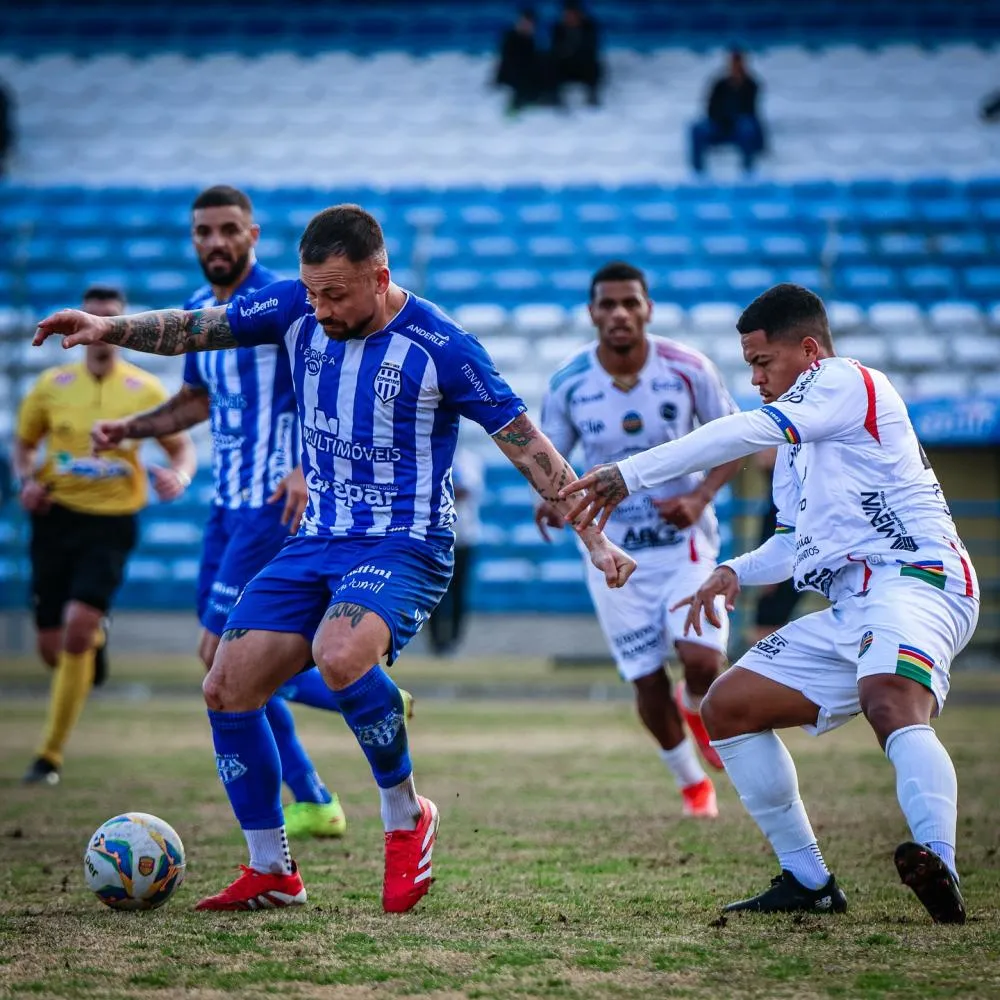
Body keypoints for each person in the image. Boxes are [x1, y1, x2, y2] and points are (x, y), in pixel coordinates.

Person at [35, 203, 636, 914]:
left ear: (380, 278)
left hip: (404, 541)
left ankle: (406, 816)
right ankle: (272, 870)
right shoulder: (296, 305)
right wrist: (108, 328)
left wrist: (593, 537)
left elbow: (527, 443)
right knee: (225, 686)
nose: (318, 308)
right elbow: (196, 328)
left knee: (341, 651)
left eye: (336, 295)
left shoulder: (443, 347)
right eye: (312, 292)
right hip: (315, 539)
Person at [561, 283, 980, 924]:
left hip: (916, 578)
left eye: (763, 362)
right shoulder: (796, 450)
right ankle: (808, 880)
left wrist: (630, 472)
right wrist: (733, 570)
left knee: (890, 698)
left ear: (808, 351)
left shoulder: (847, 381)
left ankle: (940, 859)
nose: (755, 377)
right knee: (727, 707)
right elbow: (793, 544)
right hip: (849, 604)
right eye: (750, 364)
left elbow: (744, 429)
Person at [91, 185, 358, 840]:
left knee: (222, 656)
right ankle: (325, 767)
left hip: (275, 500)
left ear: (253, 234)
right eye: (203, 232)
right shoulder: (191, 310)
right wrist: (131, 427)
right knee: (222, 661)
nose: (215, 242)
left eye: (228, 230)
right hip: (225, 504)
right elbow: (194, 403)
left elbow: (332, 388)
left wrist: (303, 465)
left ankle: (346, 720)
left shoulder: (288, 303)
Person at [538, 261, 740, 818]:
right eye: (608, 304)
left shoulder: (688, 368)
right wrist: (552, 502)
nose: (620, 314)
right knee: (646, 678)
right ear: (593, 312)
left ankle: (698, 705)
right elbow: (548, 462)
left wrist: (698, 499)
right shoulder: (569, 382)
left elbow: (738, 440)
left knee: (701, 659)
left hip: (686, 546)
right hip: (614, 556)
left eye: (631, 303)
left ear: (648, 308)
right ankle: (692, 784)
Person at [15, 285, 196, 786]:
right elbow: (25, 447)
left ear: (121, 330)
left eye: (111, 322)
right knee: (54, 648)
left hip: (112, 523)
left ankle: (49, 755)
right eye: (88, 320)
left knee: (76, 626)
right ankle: (96, 637)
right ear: (74, 328)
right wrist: (25, 481)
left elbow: (181, 451)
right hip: (55, 520)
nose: (98, 333)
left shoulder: (143, 391)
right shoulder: (51, 386)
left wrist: (177, 476)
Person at [428, 445, 483, 656]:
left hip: (464, 536)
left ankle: (454, 638)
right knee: (433, 593)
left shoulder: (470, 460)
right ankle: (436, 641)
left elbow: (466, 491)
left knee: (459, 589)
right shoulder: (431, 453)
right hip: (436, 537)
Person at [751, 448, 803, 644]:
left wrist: (769, 574)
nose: (759, 454)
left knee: (765, 629)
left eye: (767, 449)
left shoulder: (788, 488)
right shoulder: (774, 487)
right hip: (781, 563)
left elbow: (781, 532)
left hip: (786, 564)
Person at [689, 49, 765, 175]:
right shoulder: (719, 83)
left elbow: (750, 109)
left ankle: (748, 170)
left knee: (747, 127)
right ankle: (698, 171)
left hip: (739, 127)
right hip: (719, 124)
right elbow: (710, 108)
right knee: (697, 128)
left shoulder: (751, 84)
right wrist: (722, 119)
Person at [550, 0, 603, 108]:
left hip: (583, 66)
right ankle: (554, 96)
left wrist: (571, 49)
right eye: (567, 14)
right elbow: (556, 49)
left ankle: (592, 95)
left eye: (572, 14)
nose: (569, 17)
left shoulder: (589, 27)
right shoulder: (559, 28)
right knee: (550, 63)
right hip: (565, 65)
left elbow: (591, 48)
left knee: (596, 65)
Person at [496, 7, 546, 114]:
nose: (527, 26)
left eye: (530, 23)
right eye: (525, 22)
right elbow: (508, 63)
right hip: (510, 76)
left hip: (522, 75)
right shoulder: (511, 37)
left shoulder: (529, 40)